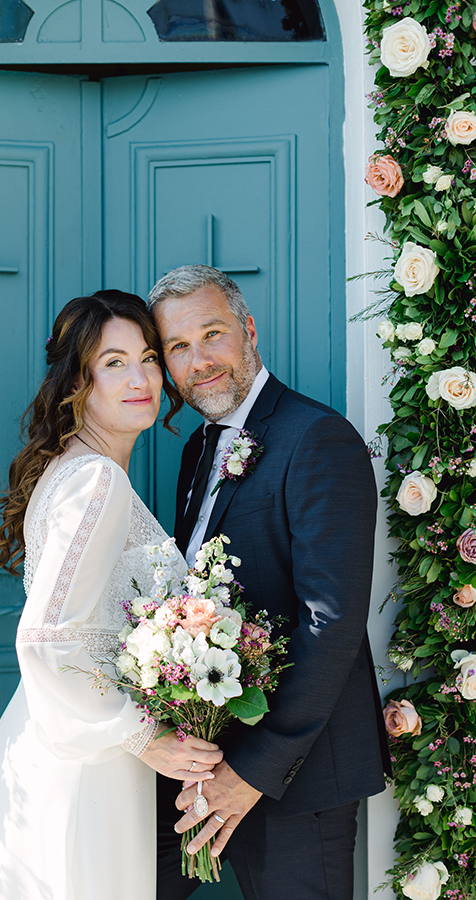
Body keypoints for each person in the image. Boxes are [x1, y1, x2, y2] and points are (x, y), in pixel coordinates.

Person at [0, 290, 223, 900]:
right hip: (81, 766)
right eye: (113, 362)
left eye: (147, 357)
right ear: (78, 380)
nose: (141, 377)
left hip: (70, 743)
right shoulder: (94, 482)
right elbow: (46, 641)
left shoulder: (80, 468)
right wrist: (147, 740)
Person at [148, 266, 392, 900]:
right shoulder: (197, 450)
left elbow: (331, 619)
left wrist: (252, 771)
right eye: (178, 347)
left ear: (248, 331)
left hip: (297, 774)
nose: (199, 361)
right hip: (199, 760)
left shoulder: (317, 437)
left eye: (213, 334)